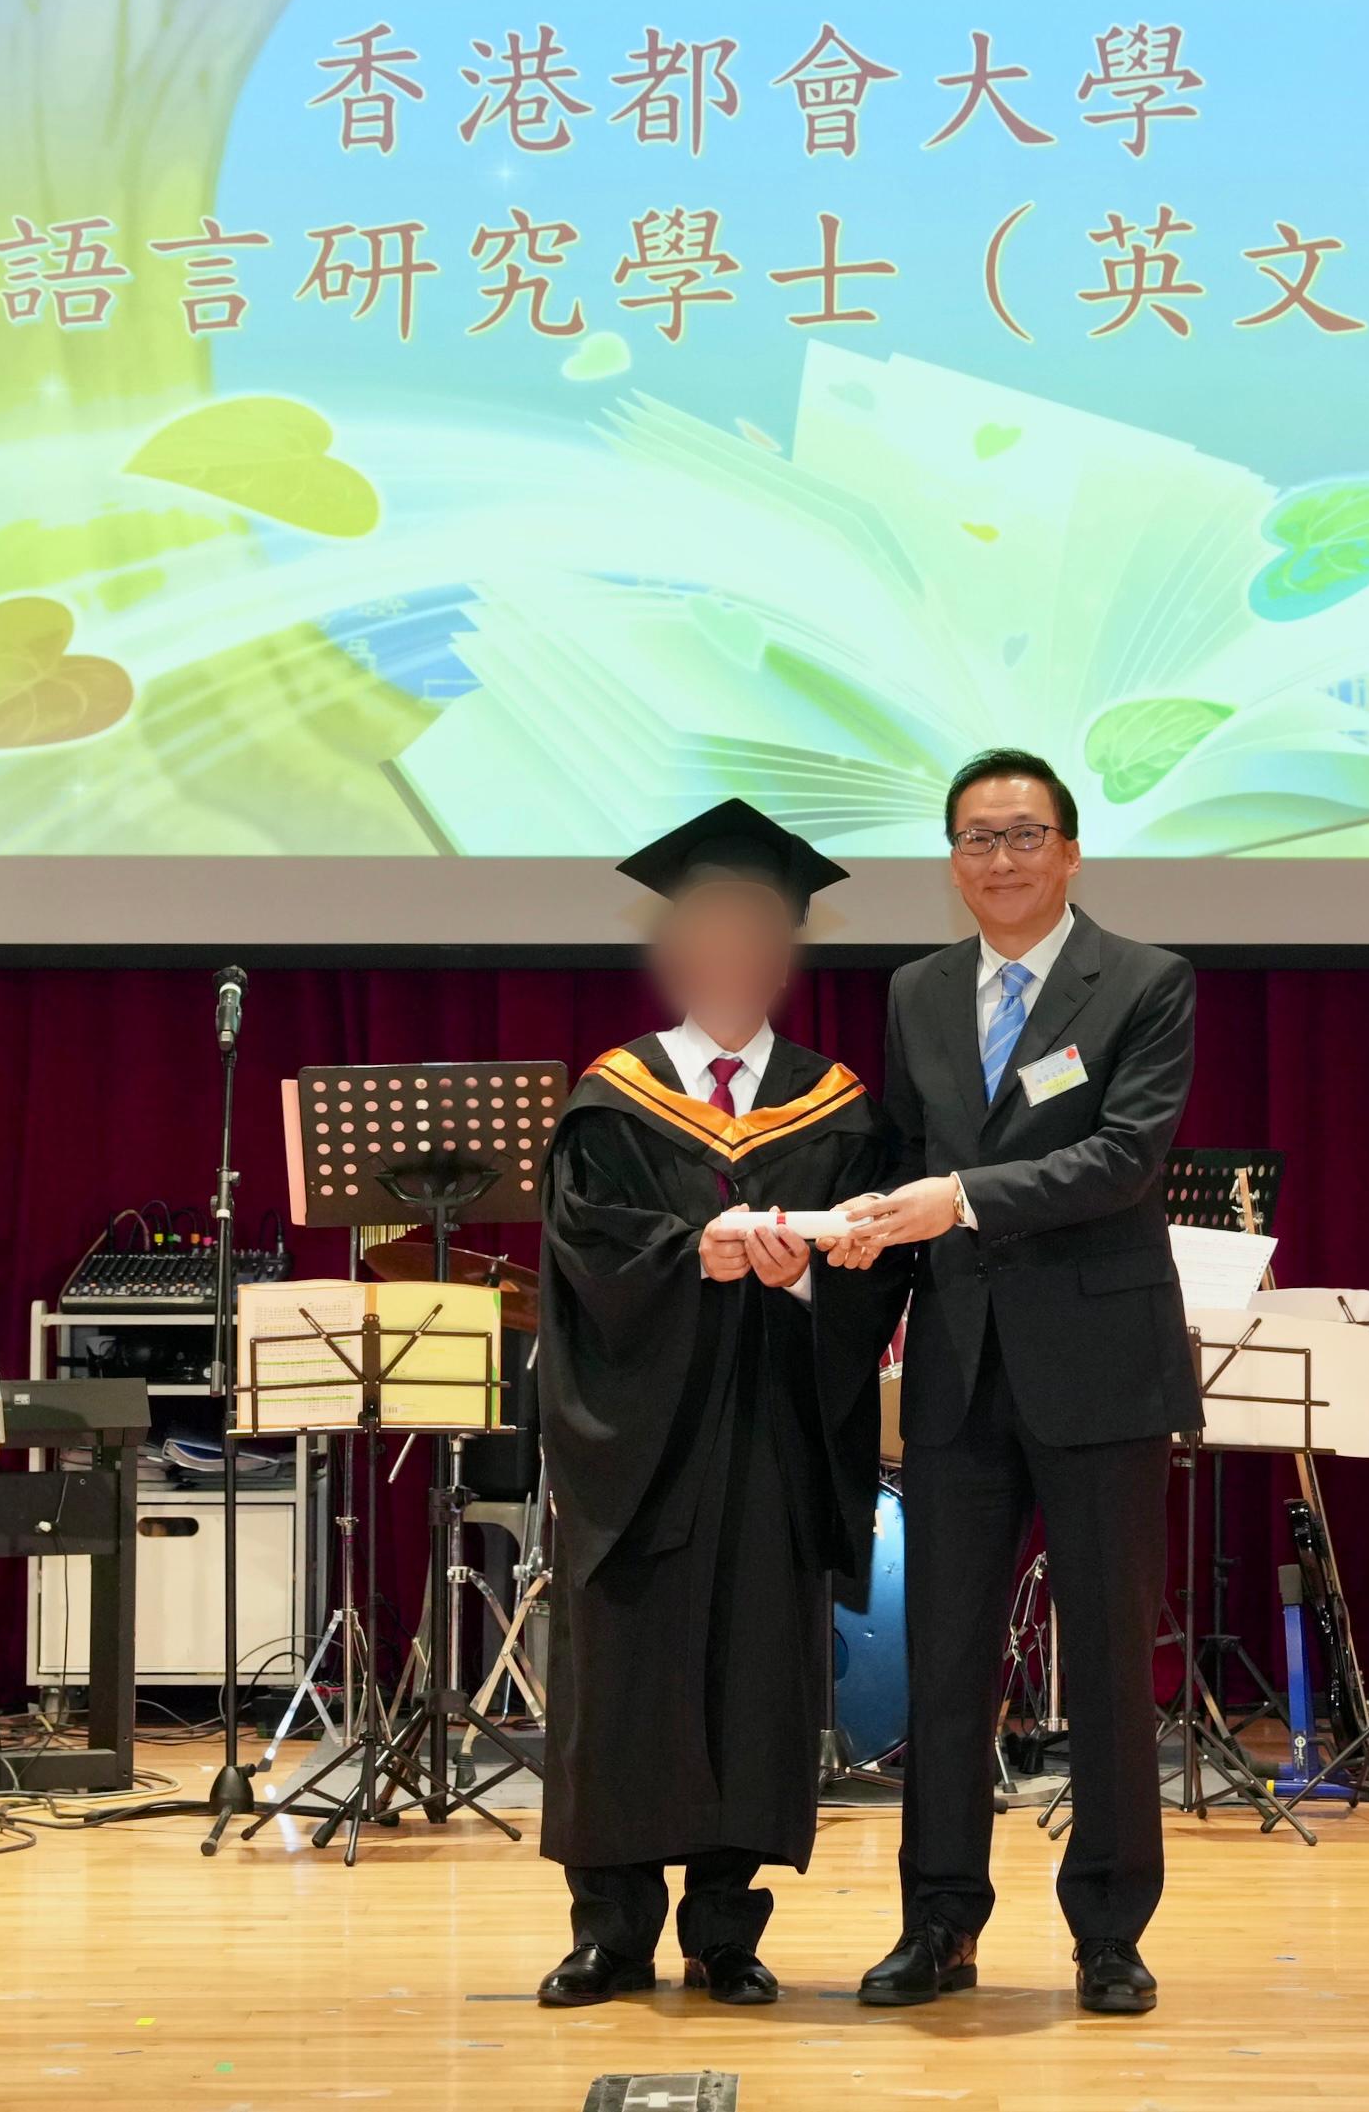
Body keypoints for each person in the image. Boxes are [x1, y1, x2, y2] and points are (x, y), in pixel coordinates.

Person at [824, 748, 1199, 2018]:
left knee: (1106, 1661)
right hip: (957, 1364)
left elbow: (1123, 1157)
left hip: (1101, 1365)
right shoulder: (918, 989)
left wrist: (958, 1198)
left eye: (1024, 833)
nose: (1001, 856)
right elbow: (903, 1155)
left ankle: (1109, 1931)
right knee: (945, 1662)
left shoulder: (1144, 980)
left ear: (1071, 850)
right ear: (951, 861)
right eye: (977, 837)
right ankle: (938, 1922)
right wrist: (846, 1240)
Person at [531, 797, 892, 2009]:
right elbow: (586, 1255)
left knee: (756, 1671)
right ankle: (611, 1929)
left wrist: (805, 1278)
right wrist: (693, 1250)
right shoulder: (612, 1100)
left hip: (775, 1429)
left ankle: (726, 1930)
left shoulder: (837, 1106)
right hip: (642, 1437)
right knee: (624, 1673)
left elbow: (878, 1268)